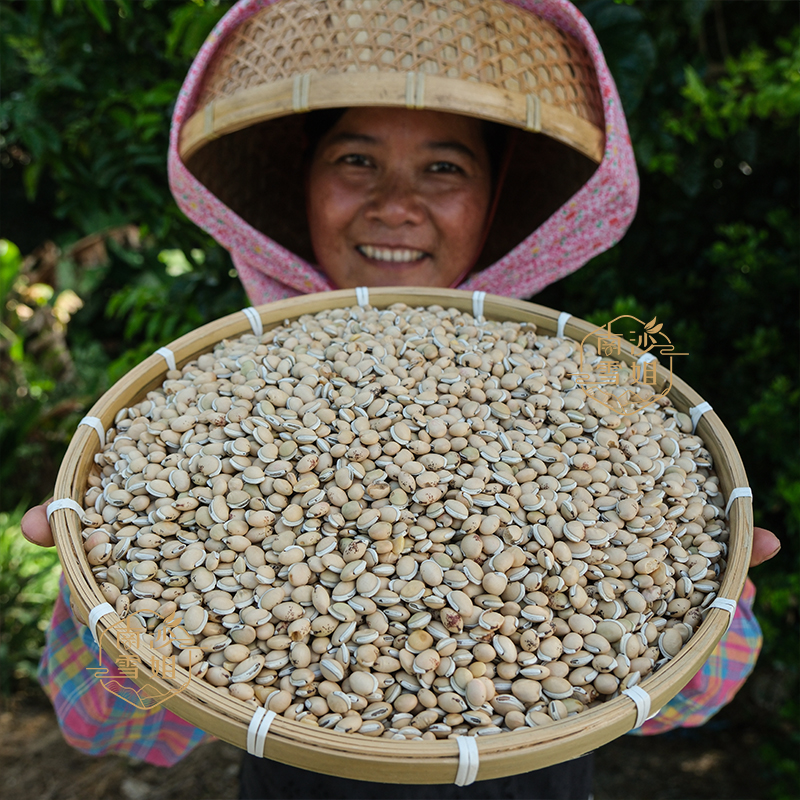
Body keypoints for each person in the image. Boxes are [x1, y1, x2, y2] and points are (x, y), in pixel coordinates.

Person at [22, 0, 780, 798]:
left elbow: (692, 699)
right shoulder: (211, 390)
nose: (395, 203)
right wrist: (104, 607)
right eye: (356, 159)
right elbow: (103, 728)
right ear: (304, 181)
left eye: (444, 168)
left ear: (496, 198)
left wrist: (709, 601)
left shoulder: (584, 389)